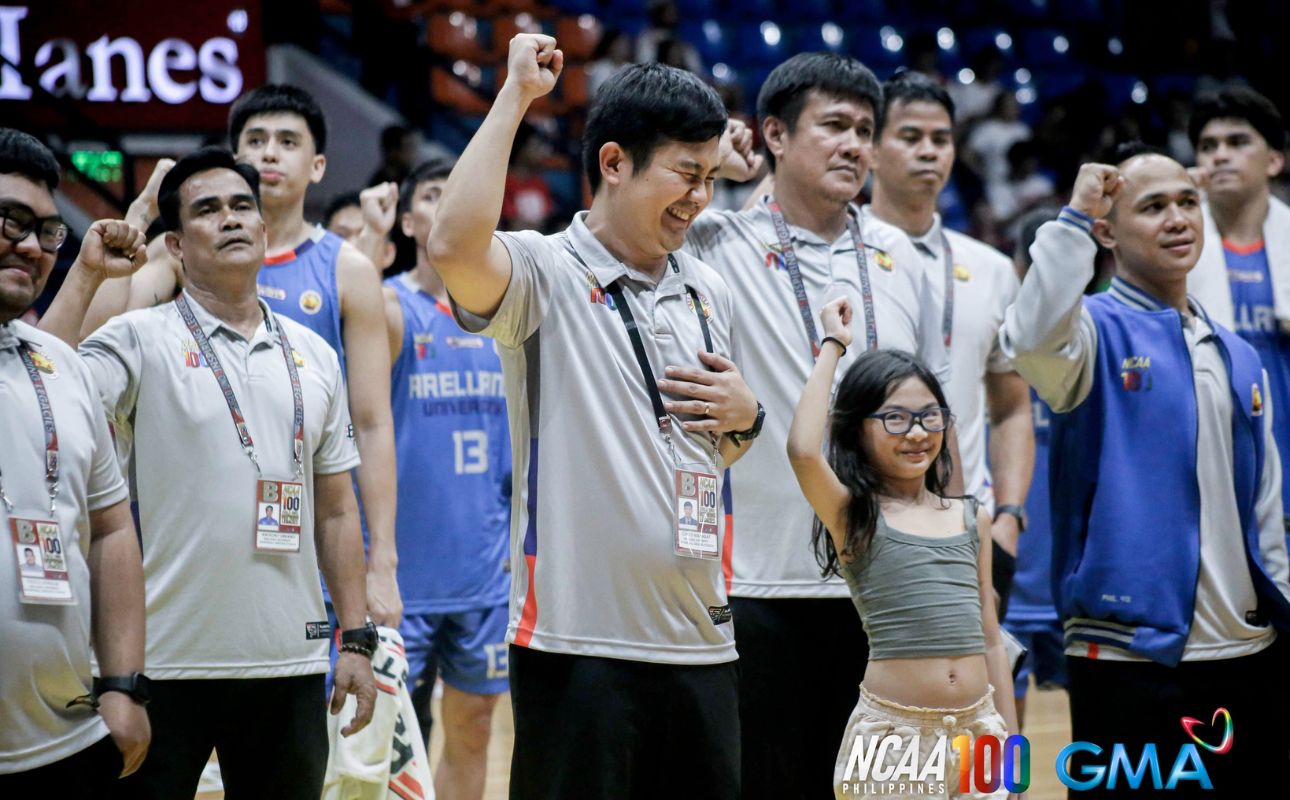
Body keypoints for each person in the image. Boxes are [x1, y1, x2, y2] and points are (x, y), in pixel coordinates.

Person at [427, 35, 762, 799]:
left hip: (703, 642)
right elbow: (451, 243)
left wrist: (748, 421)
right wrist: (515, 95)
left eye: (711, 178)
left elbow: (711, 450)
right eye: (686, 174)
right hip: (578, 647)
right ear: (614, 163)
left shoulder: (711, 288)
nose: (700, 198)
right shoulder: (543, 270)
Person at [38, 147, 378, 799]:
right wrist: (85, 274)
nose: (230, 219)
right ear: (176, 243)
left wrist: (356, 640)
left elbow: (337, 509)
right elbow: (37, 385)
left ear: (264, 227)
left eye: (241, 206)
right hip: (163, 667)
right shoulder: (137, 339)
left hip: (292, 666)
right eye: (207, 209)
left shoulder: (313, 354)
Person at [682, 52, 956, 799]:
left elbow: (935, 419)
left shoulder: (901, 255)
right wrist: (717, 164)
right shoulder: (716, 245)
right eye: (833, 125)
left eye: (865, 130)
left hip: (884, 582)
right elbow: (643, 216)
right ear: (773, 133)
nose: (855, 146)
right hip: (760, 585)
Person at [999, 148, 1290, 796]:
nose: (1178, 219)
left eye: (1187, 203)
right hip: (1125, 659)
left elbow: (1266, 507)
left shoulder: (1238, 353)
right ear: (1109, 232)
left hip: (1246, 652)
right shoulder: (1091, 335)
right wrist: (1074, 217)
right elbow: (1029, 338)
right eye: (1153, 207)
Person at [787, 297, 1017, 800]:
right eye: (894, 419)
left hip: (980, 732)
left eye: (929, 417)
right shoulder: (857, 515)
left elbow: (991, 636)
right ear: (856, 429)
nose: (916, 433)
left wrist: (1010, 751)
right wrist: (834, 345)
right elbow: (803, 450)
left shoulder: (969, 515)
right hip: (893, 738)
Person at [0, 128, 150, 793]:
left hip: (68, 741)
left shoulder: (58, 363)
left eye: (46, 232)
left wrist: (121, 685)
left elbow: (113, 529)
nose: (31, 246)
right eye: (11, 221)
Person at [864, 70, 1033, 615]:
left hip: (968, 534)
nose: (929, 153)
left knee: (986, 692)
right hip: (860, 531)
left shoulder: (991, 268)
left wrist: (1008, 518)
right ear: (870, 148)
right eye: (910, 137)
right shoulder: (836, 258)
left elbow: (1011, 406)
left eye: (941, 139)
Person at [382, 156, 513, 800]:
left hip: (484, 574)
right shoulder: (384, 305)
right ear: (408, 221)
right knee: (382, 743)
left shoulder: (508, 315)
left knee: (473, 730)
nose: (452, 203)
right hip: (398, 578)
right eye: (435, 194)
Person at [1185, 87, 1290, 547]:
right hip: (1207, 464)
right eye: (1208, 147)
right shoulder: (1167, 250)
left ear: (1274, 161)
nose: (1220, 156)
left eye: (1237, 142)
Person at [1000, 208, 1069, 727]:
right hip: (1015, 556)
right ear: (1020, 265)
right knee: (1005, 718)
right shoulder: (997, 337)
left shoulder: (1095, 333)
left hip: (1077, 567)